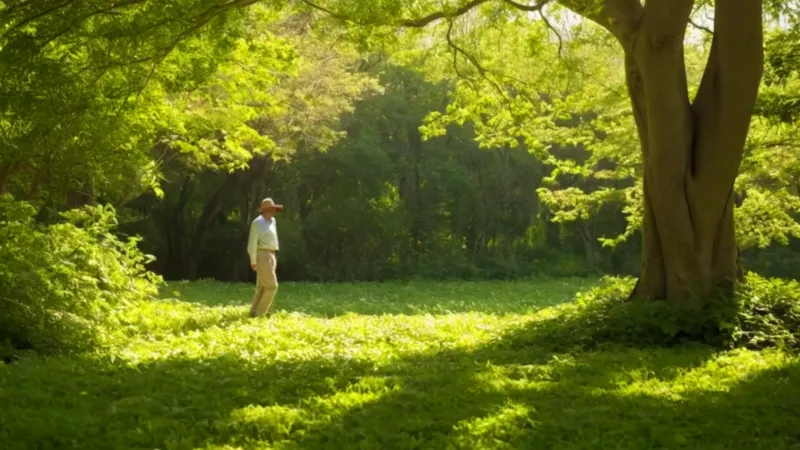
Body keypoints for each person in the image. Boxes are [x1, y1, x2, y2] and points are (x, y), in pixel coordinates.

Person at [247, 197, 284, 318]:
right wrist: (253, 260)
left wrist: (274, 255)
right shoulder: (257, 222)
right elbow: (252, 243)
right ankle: (260, 313)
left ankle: (253, 312)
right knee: (272, 286)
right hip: (261, 254)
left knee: (262, 286)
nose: (274, 211)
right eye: (272, 208)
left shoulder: (273, 221)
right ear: (266, 210)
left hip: (272, 254)